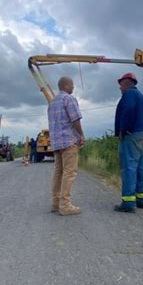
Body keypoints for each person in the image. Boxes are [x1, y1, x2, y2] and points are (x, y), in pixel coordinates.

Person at [47, 76, 85, 215]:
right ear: (66, 86)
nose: (73, 87)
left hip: (57, 143)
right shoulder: (69, 99)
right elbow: (75, 119)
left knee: (58, 173)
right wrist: (81, 135)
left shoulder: (52, 102)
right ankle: (65, 205)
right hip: (69, 141)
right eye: (72, 85)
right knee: (69, 173)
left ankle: (56, 203)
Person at [114, 72, 143, 213]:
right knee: (140, 167)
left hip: (131, 135)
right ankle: (141, 200)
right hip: (142, 134)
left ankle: (128, 203)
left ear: (127, 83)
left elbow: (128, 110)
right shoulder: (140, 96)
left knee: (128, 167)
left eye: (121, 84)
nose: (120, 88)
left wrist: (124, 129)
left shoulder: (129, 94)